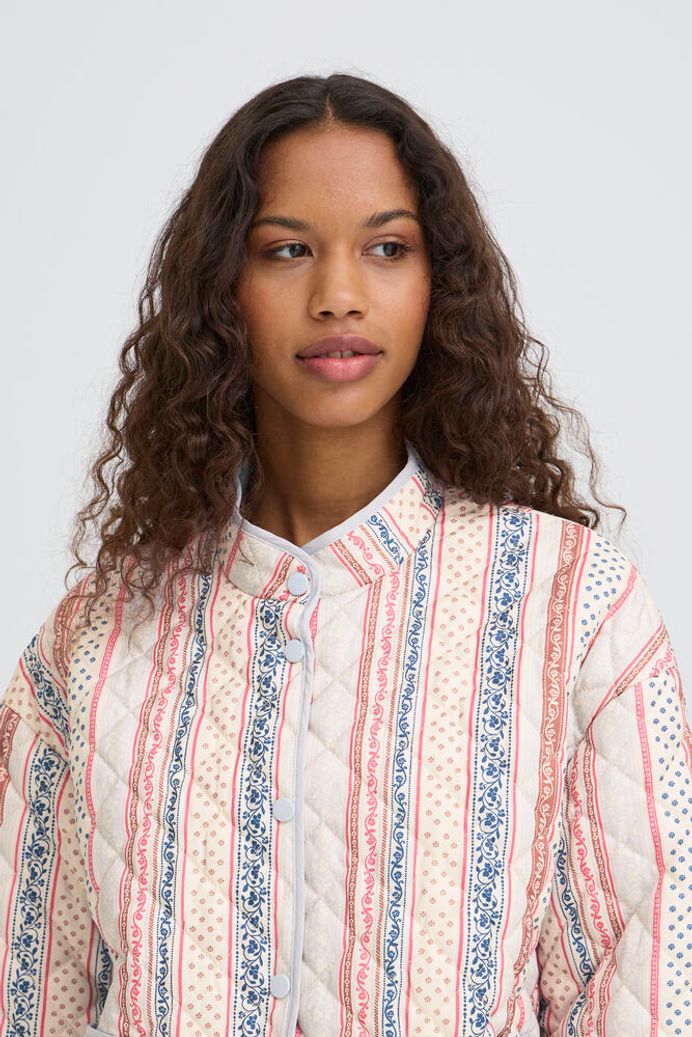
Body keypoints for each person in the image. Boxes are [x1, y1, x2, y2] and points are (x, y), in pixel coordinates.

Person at [0, 72, 688, 1037]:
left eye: (387, 248)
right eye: (286, 250)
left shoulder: (572, 606)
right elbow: (32, 998)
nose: (338, 296)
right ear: (222, 291)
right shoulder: (97, 638)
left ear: (439, 283)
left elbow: (645, 992)